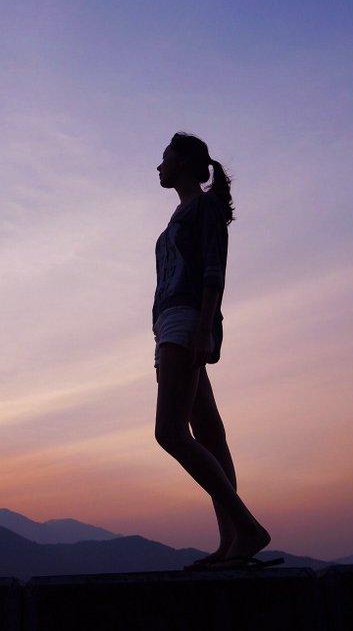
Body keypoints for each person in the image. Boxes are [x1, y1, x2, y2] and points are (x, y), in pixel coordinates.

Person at [153, 132, 273, 571]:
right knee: (209, 436)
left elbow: (213, 272)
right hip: (170, 326)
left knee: (168, 432)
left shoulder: (204, 210)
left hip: (186, 323)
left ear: (183, 163)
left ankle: (248, 528)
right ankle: (231, 544)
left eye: (165, 158)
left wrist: (204, 328)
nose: (159, 166)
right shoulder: (178, 216)